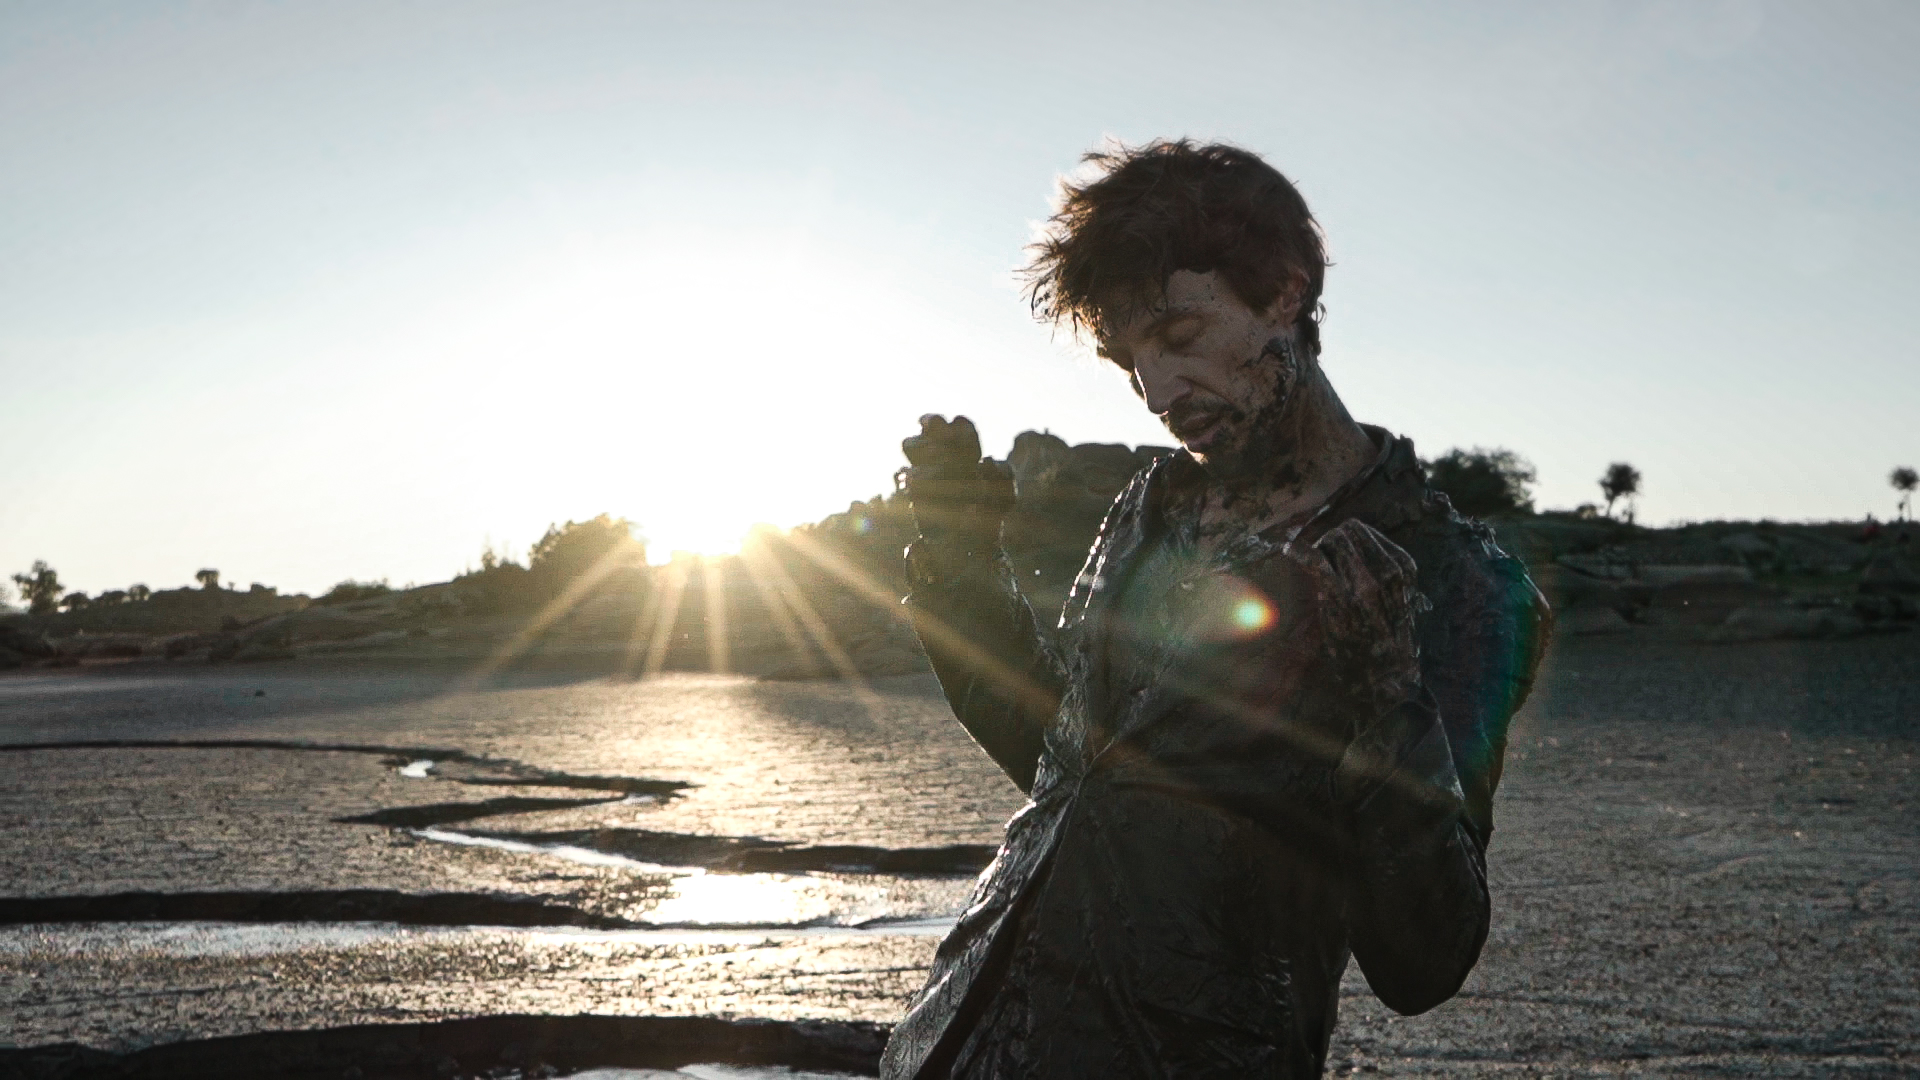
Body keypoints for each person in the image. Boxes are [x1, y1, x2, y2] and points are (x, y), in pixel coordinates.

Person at [881, 140, 1553, 1079]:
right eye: (1128, 362)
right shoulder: (1151, 510)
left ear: (1285, 292)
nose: (1157, 392)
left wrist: (1386, 699)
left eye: (1181, 336)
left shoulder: (1458, 580)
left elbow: (1425, 960)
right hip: (963, 1046)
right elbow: (1068, 763)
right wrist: (960, 565)